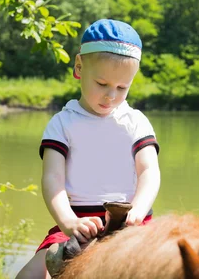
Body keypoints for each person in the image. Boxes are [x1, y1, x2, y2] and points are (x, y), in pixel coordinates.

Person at [16, 19, 161, 279]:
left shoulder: (136, 121)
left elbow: (149, 170)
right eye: (102, 84)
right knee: (29, 276)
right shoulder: (63, 122)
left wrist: (139, 209)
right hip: (79, 222)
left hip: (132, 221)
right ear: (79, 67)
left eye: (122, 88)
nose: (111, 96)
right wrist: (69, 222)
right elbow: (52, 179)